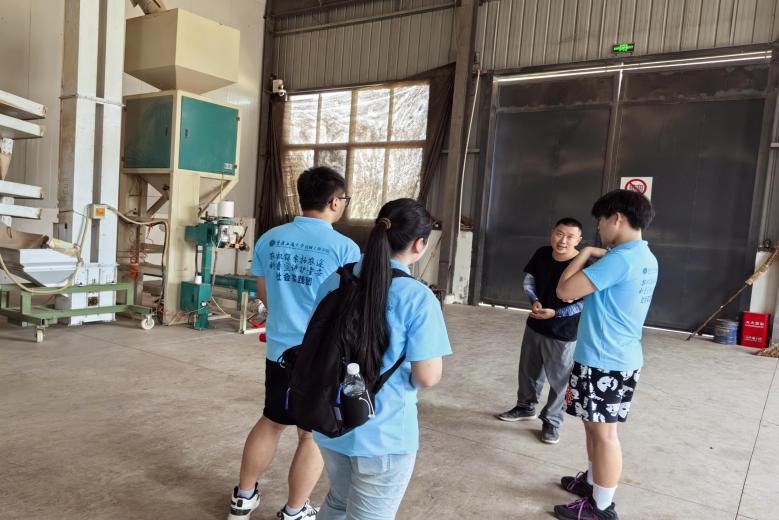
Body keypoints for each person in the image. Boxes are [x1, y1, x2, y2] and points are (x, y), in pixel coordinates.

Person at [227, 166, 361, 520]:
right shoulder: (345, 248)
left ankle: (243, 498)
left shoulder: (270, 239)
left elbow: (264, 293)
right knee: (310, 434)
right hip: (321, 355)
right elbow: (347, 307)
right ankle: (294, 510)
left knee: (272, 420)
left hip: (279, 349)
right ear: (335, 201)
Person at [313, 198, 452, 520]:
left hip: (331, 421)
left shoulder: (336, 279)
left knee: (338, 501)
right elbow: (427, 376)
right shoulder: (417, 297)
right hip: (383, 433)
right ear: (419, 244)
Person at [553, 189, 657, 520]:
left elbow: (564, 290)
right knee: (594, 427)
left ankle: (601, 507)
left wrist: (584, 253)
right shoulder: (644, 256)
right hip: (616, 357)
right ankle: (593, 483)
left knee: (604, 434)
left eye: (600, 220)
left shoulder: (619, 260)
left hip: (604, 360)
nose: (598, 227)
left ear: (618, 218)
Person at [497, 218, 585, 444]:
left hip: (563, 332)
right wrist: (534, 300)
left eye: (570, 236)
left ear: (579, 240)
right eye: (559, 234)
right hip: (535, 324)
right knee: (528, 371)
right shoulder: (542, 253)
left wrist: (556, 313)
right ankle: (525, 407)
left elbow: (584, 303)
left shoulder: (584, 264)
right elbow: (529, 281)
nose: (563, 240)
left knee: (560, 380)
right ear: (552, 233)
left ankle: (552, 421)